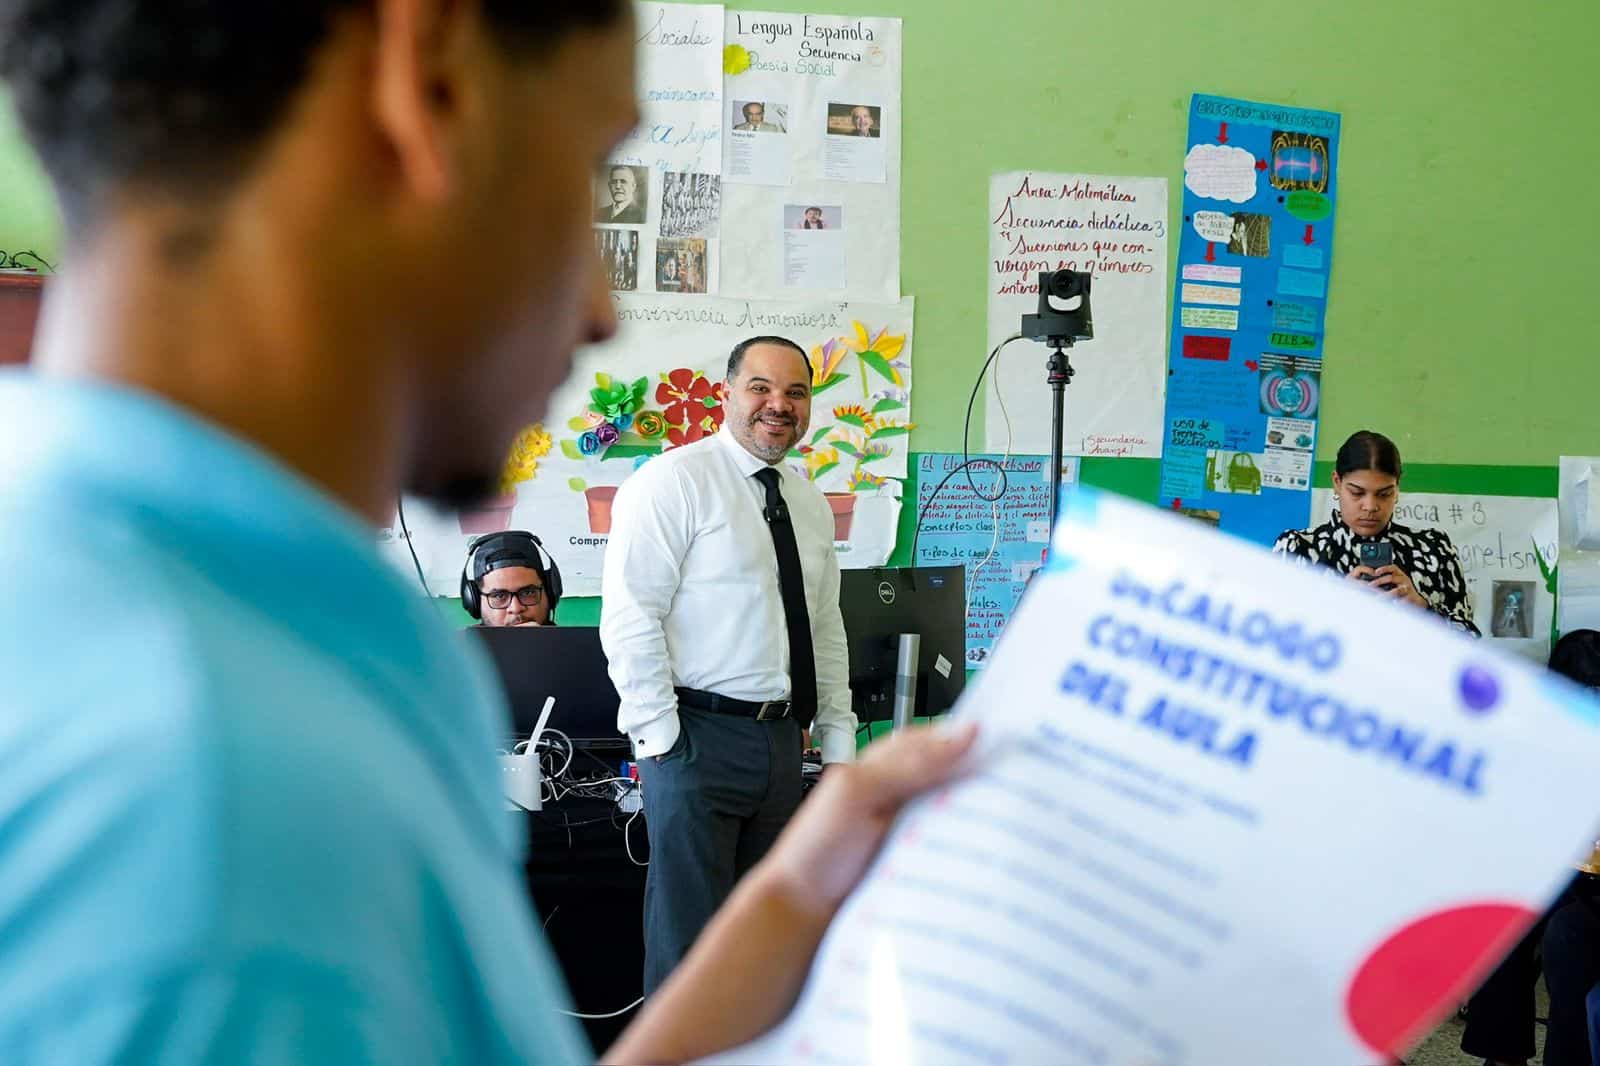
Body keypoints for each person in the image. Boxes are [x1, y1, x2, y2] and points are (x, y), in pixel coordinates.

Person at [0, 3, 975, 1063]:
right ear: (427, 86)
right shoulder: (208, 770)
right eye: (590, 170)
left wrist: (785, 897)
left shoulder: (259, 625)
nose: (602, 306)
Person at [600, 335, 858, 996]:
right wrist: (661, 740)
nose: (779, 405)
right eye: (762, 388)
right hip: (695, 743)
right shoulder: (672, 482)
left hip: (780, 745)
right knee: (688, 951)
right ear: (726, 395)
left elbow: (823, 625)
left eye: (796, 392)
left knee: (761, 950)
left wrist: (838, 746)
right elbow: (631, 616)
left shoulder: (806, 502)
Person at [1459, 630, 1600, 1066]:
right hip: (1566, 866)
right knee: (1502, 916)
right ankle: (1501, 1054)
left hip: (1590, 882)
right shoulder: (1541, 735)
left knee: (1566, 937)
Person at [1273, 430, 1479, 634]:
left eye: (1384, 494)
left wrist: (1423, 609)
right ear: (1337, 483)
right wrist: (1337, 604)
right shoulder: (1297, 548)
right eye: (1357, 492)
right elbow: (1272, 637)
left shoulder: (1435, 549)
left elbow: (1468, 643)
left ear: (1397, 488)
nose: (1370, 506)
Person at [462, 530, 562, 626]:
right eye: (499, 596)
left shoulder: (573, 643)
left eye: (528, 593)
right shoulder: (457, 643)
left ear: (549, 593)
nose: (516, 608)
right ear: (476, 602)